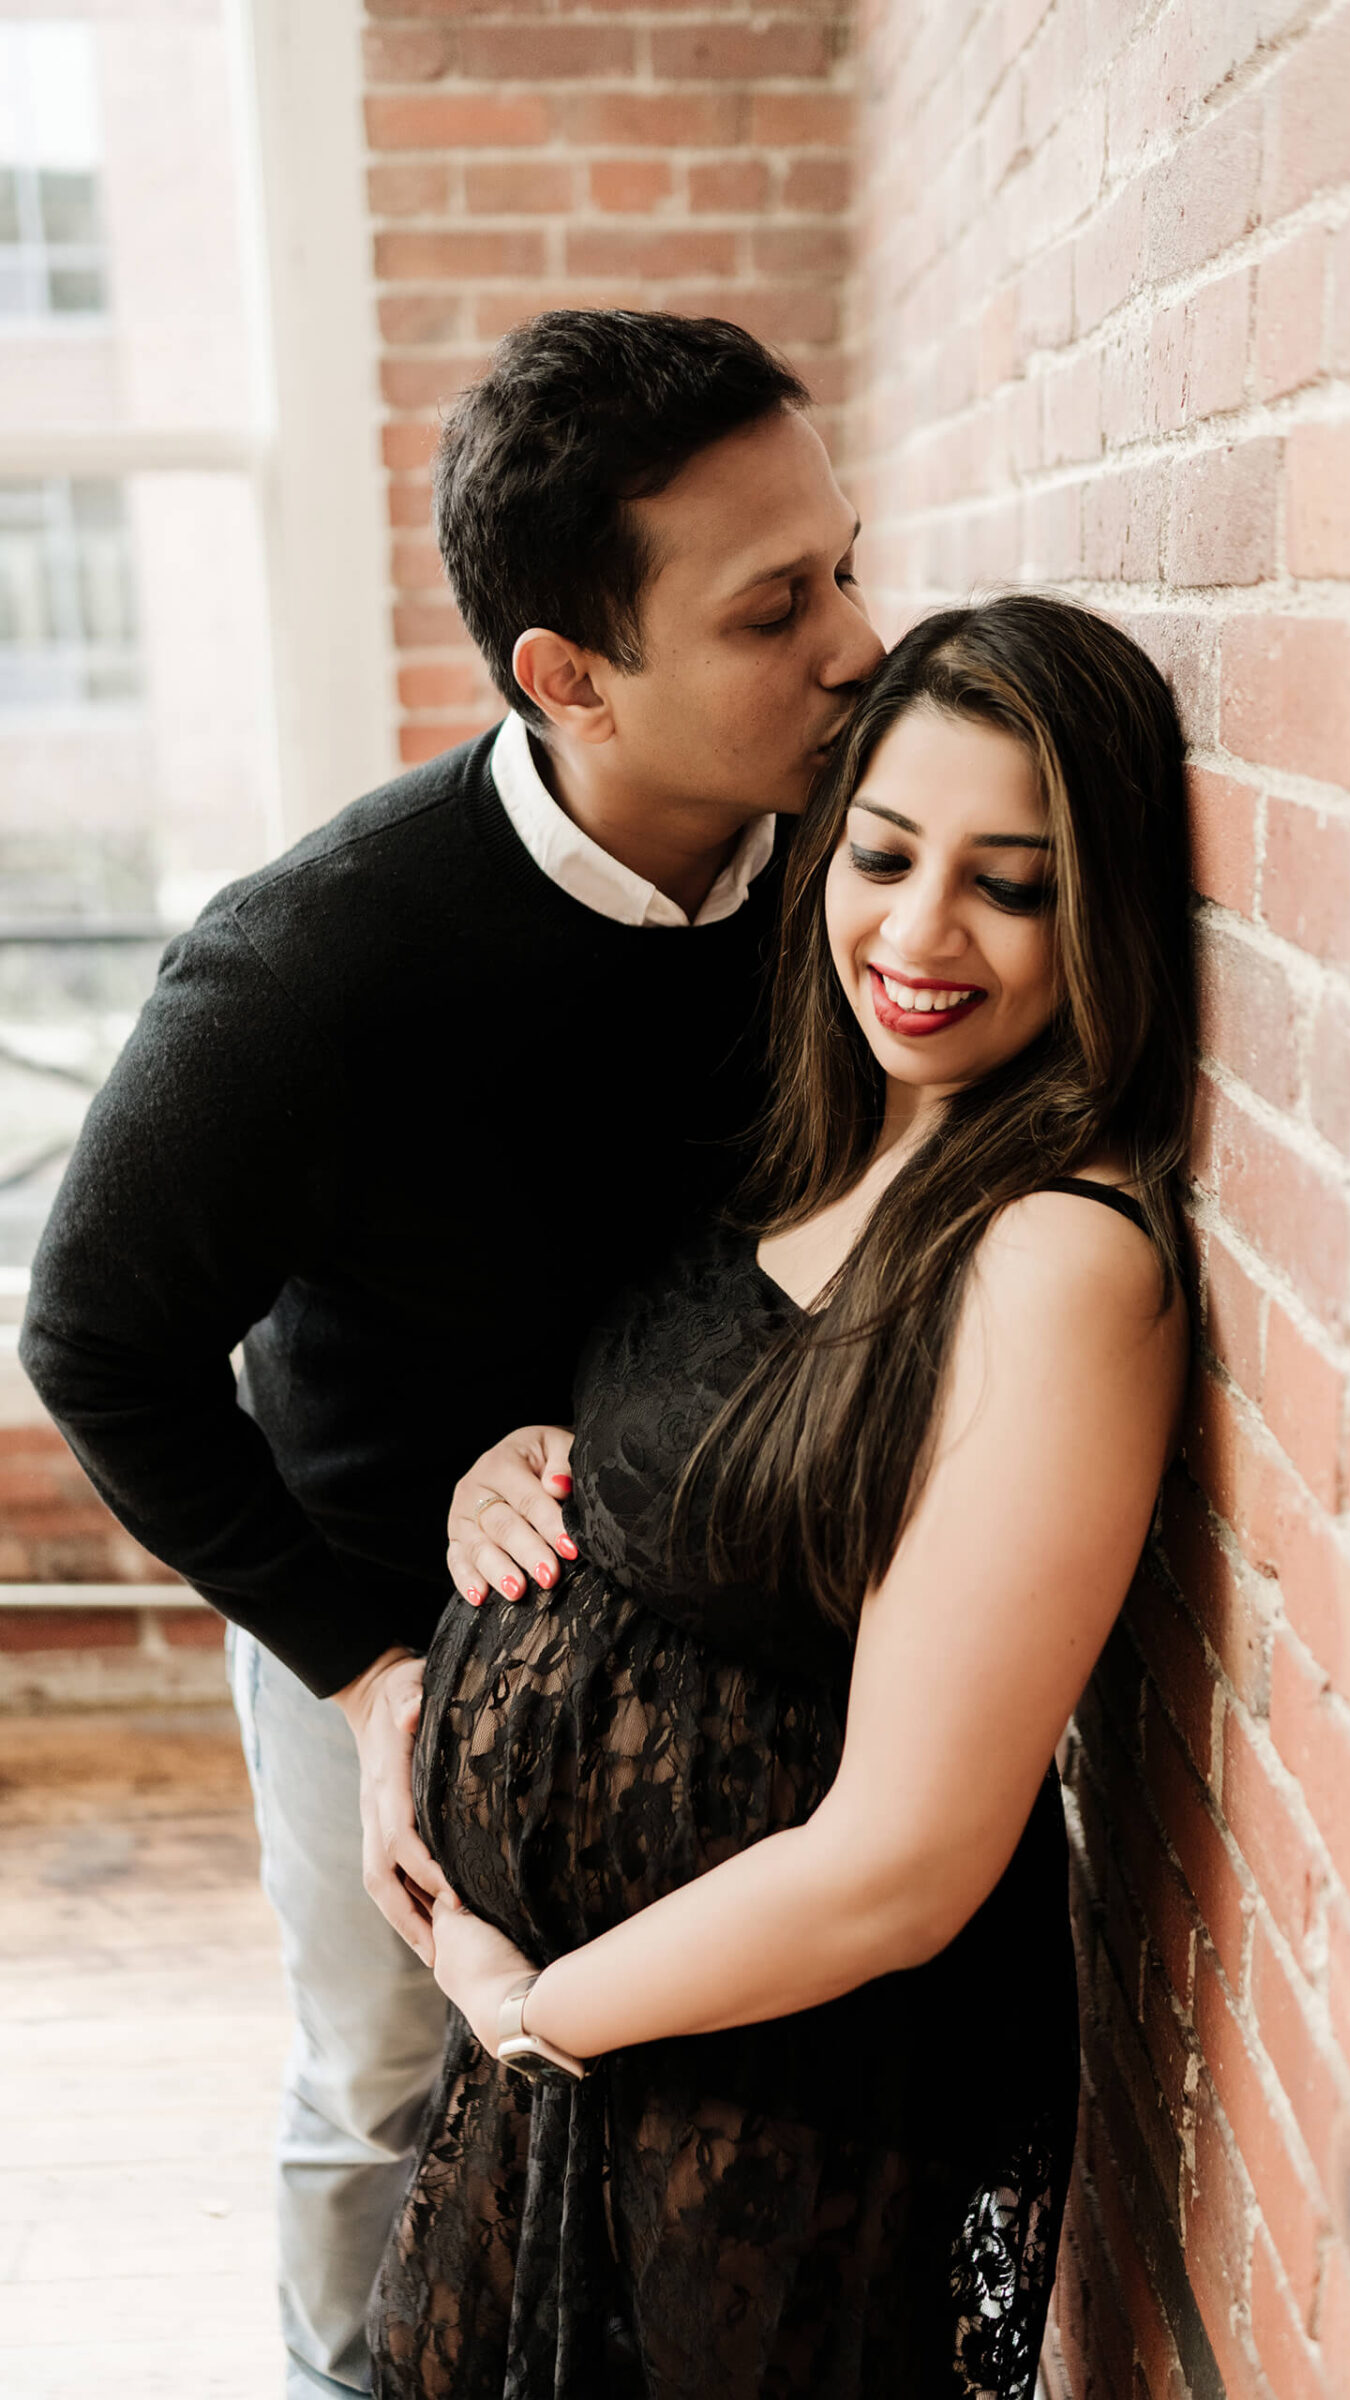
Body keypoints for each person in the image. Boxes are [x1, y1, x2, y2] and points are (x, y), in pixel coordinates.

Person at [19, 309, 882, 2399]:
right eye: (779, 608)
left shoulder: (866, 875)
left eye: (847, 563)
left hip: (710, 1605)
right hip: (374, 1611)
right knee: (391, 2080)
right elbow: (93, 1339)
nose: (861, 645)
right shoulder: (315, 964)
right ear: (565, 679)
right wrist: (365, 1664)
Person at [369, 593, 1196, 2400]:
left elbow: (905, 1859)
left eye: (1015, 884)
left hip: (772, 2114)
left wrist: (531, 2005)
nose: (919, 931)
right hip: (583, 2065)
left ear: (1109, 909)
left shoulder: (1055, 1254)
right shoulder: (837, 1131)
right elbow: (706, 1468)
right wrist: (505, 1484)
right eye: (884, 854)